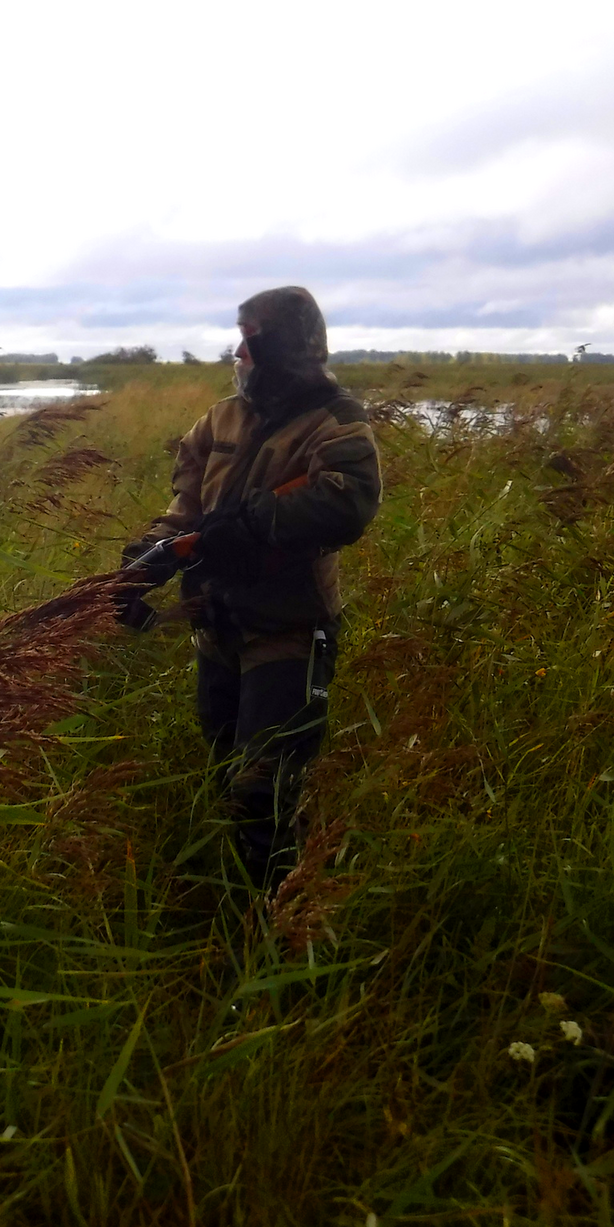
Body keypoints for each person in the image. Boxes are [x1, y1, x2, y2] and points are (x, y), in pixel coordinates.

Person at [118, 286, 382, 889]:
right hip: (218, 626)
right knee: (222, 766)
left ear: (282, 344)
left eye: (250, 337)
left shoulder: (336, 420)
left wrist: (254, 523)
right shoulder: (220, 418)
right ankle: (231, 902)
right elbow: (185, 507)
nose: (237, 351)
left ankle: (275, 929)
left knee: (267, 790)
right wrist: (145, 562)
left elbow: (350, 504)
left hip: (286, 630)